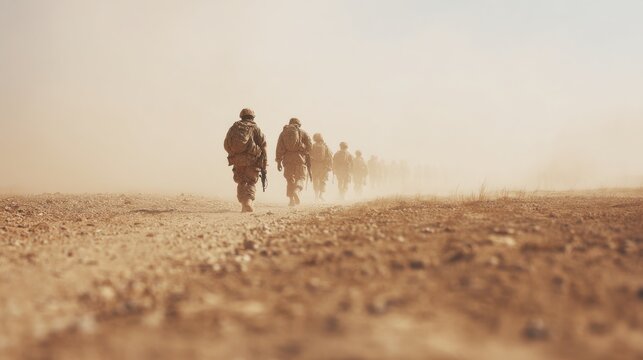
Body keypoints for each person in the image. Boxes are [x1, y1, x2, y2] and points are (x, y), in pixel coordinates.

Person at [223, 108, 267, 212]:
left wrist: (234, 154)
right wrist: (264, 161)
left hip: (237, 159)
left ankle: (244, 205)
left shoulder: (234, 127)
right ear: (252, 117)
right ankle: (248, 203)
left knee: (241, 181)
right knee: (250, 181)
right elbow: (263, 145)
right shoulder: (255, 127)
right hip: (252, 159)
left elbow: (226, 144)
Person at [276, 118, 312, 206]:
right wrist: (304, 150)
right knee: (301, 177)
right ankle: (297, 191)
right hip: (300, 159)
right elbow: (310, 147)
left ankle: (291, 200)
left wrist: (279, 161)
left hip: (287, 160)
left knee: (290, 179)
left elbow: (279, 148)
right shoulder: (303, 132)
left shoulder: (283, 133)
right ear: (299, 124)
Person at [310, 133, 333, 201]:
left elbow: (309, 156)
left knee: (315, 180)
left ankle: (316, 196)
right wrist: (329, 166)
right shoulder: (325, 146)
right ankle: (321, 195)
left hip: (315, 166)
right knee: (323, 181)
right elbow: (330, 156)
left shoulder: (313, 146)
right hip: (324, 166)